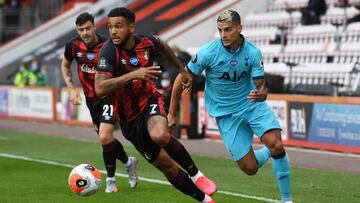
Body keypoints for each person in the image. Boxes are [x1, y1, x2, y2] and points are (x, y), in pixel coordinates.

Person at [168, 10, 293, 203]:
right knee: (250, 168)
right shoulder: (208, 52)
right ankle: (269, 151)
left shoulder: (252, 52)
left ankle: (287, 199)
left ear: (239, 28)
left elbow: (262, 88)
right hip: (226, 114)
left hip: (251, 105)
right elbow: (180, 78)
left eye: (227, 29)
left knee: (276, 142)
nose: (223, 34)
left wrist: (262, 95)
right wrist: (172, 113)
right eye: (220, 30)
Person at [94, 7, 216, 203]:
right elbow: (99, 87)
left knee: (159, 134)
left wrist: (181, 70)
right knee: (168, 167)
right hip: (128, 120)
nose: (113, 32)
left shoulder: (146, 42)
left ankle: (196, 175)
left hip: (149, 100)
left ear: (131, 26)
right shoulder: (109, 51)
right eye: (110, 27)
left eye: (118, 26)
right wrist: (133, 74)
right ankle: (205, 200)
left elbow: (164, 47)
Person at [60, 12, 138, 193]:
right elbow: (65, 65)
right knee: (106, 139)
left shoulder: (108, 45)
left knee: (104, 136)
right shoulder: (73, 46)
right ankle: (128, 162)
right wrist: (71, 88)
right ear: (77, 30)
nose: (85, 32)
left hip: (110, 95)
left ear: (94, 26)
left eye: (88, 28)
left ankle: (111, 181)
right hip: (91, 98)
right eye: (81, 30)